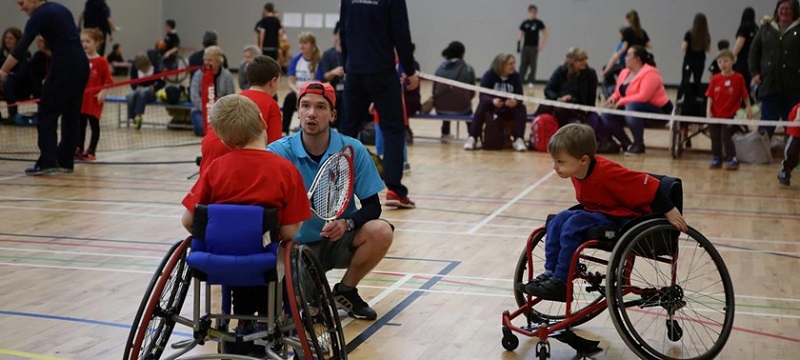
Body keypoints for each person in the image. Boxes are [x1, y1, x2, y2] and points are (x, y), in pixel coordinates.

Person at [181, 94, 311, 334]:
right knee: (277, 248)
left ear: (225, 139)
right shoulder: (285, 170)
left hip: (213, 263)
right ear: (262, 121)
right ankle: (266, 318)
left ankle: (242, 321)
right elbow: (291, 229)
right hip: (264, 261)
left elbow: (189, 221)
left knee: (238, 251)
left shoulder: (215, 168)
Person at [517, 123, 687, 301]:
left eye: (560, 162)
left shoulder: (608, 172)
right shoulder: (577, 170)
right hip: (599, 211)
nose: (555, 167)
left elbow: (650, 186)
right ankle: (551, 272)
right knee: (557, 220)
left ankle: (561, 281)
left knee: (572, 225)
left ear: (583, 160)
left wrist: (670, 210)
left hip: (622, 217)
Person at [268, 81, 394, 320]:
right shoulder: (278, 153)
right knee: (306, 312)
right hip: (294, 248)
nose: (312, 113)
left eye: (320, 107)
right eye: (305, 106)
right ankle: (308, 292)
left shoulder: (352, 149)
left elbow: (373, 206)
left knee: (381, 231)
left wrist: (347, 224)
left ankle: (345, 291)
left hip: (338, 241)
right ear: (298, 111)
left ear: (332, 114)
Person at [339, 0, 419, 209]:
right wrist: (410, 71)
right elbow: (401, 33)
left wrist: (346, 64)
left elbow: (344, 30)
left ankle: (336, 183)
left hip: (354, 71)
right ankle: (394, 189)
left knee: (347, 129)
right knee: (393, 129)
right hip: (382, 71)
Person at [0, 0, 89, 175]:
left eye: (22, 2)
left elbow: (21, 47)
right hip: (81, 64)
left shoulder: (39, 15)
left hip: (64, 65)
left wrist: (3, 70)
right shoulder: (61, 9)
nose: (21, 7)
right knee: (71, 114)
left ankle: (48, 162)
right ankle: (65, 161)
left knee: (47, 112)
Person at [600, 45, 672, 155]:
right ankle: (627, 144)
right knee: (606, 114)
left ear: (637, 59)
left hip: (658, 112)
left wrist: (622, 101)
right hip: (632, 112)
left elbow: (643, 96)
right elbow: (618, 92)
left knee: (632, 106)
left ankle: (639, 144)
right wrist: (613, 99)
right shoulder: (624, 72)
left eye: (628, 55)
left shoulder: (651, 73)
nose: (625, 58)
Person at [749, 0, 800, 137]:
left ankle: (791, 155)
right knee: (766, 126)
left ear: (794, 10)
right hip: (769, 86)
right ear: (777, 9)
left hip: (794, 88)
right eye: (781, 8)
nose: (784, 11)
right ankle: (761, 155)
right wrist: (754, 73)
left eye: (788, 9)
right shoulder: (766, 29)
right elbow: (753, 52)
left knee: (792, 126)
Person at [464, 53, 527, 152]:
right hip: (493, 108)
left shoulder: (516, 76)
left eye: (513, 63)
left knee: (521, 108)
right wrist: (492, 101)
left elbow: (520, 96)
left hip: (508, 109)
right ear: (501, 65)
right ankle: (472, 138)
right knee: (481, 106)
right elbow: (482, 96)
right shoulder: (489, 75)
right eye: (510, 64)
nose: (513, 66)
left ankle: (518, 139)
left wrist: (515, 101)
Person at [706, 50, 753, 170]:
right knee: (714, 137)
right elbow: (710, 95)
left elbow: (745, 95)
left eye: (725, 61)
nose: (722, 64)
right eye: (719, 62)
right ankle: (716, 157)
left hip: (729, 115)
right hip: (715, 115)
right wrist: (708, 110)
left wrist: (748, 108)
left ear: (733, 61)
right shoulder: (715, 78)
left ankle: (732, 158)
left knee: (725, 136)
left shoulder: (738, 78)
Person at [76, 28, 113, 161]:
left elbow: (108, 81)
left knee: (94, 125)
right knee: (80, 124)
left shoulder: (102, 61)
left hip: (94, 99)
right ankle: (78, 147)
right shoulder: (80, 59)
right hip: (81, 99)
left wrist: (103, 92)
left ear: (97, 43)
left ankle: (91, 150)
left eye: (88, 41)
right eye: (82, 41)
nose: (84, 44)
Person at [540, 47, 599, 129]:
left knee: (559, 109)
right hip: (561, 103)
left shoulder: (590, 74)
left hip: (579, 107)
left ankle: (564, 134)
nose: (584, 62)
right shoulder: (561, 70)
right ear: (572, 61)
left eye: (585, 59)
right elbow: (548, 89)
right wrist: (559, 98)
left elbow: (591, 97)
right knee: (546, 105)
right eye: (580, 60)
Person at [432, 40, 476, 142]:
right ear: (462, 53)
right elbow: (472, 93)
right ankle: (472, 134)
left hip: (440, 108)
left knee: (446, 99)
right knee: (465, 105)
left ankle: (445, 132)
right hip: (462, 108)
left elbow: (434, 90)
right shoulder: (468, 69)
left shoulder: (439, 69)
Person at [189, 46, 234, 137]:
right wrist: (206, 109)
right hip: (200, 110)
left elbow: (230, 96)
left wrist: (218, 109)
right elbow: (194, 95)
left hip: (220, 111)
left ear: (218, 61)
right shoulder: (198, 74)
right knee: (201, 129)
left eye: (210, 60)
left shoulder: (227, 76)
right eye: (205, 60)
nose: (206, 63)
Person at [282, 32, 320, 135]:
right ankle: (284, 130)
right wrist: (298, 91)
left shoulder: (318, 61)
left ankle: (303, 129)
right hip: (298, 92)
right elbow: (290, 82)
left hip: (313, 92)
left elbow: (320, 82)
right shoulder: (296, 60)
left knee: (309, 102)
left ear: (312, 45)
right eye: (300, 43)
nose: (301, 45)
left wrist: (306, 92)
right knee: (289, 98)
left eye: (305, 43)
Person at [600, 10, 652, 80]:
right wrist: (639, 43)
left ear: (628, 20)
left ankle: (612, 88)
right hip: (641, 63)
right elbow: (650, 45)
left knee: (609, 70)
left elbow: (623, 49)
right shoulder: (642, 32)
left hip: (629, 63)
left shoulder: (627, 31)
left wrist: (606, 70)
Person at [677, 13, 711, 101]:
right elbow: (708, 50)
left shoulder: (689, 34)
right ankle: (695, 101)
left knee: (685, 80)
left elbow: (683, 48)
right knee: (697, 81)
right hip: (700, 60)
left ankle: (679, 99)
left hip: (689, 60)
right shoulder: (706, 35)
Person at [126, 53, 165, 130]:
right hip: (138, 91)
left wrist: (154, 87)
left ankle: (138, 115)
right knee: (130, 96)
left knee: (143, 93)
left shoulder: (156, 69)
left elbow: (162, 82)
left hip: (151, 93)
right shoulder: (135, 69)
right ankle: (132, 117)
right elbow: (132, 81)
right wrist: (136, 87)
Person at [0, 27, 31, 124]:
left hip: (20, 84)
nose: (7, 40)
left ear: (17, 40)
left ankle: (12, 115)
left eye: (10, 38)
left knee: (7, 82)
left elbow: (23, 73)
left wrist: (7, 75)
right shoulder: (1, 53)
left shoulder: (24, 54)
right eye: (6, 38)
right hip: (3, 80)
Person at [317, 22, 343, 127]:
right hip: (334, 88)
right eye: (338, 35)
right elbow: (324, 76)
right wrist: (334, 72)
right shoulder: (328, 54)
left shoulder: (351, 54)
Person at [517, 4, 547, 88]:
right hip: (525, 46)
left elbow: (545, 33)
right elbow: (520, 33)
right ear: (529, 12)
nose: (533, 14)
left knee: (533, 65)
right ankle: (520, 80)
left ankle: (531, 81)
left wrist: (541, 45)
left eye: (535, 12)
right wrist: (518, 45)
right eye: (532, 12)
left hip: (534, 47)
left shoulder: (538, 23)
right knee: (523, 64)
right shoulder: (525, 23)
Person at [734, 7, 759, 99]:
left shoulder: (744, 27)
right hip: (754, 61)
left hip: (743, 60)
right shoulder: (756, 28)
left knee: (741, 83)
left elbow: (740, 42)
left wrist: (732, 56)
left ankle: (742, 105)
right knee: (750, 85)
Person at [778, 102, 800, 186]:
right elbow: (798, 118)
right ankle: (784, 171)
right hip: (795, 134)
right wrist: (798, 119)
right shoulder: (799, 107)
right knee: (792, 154)